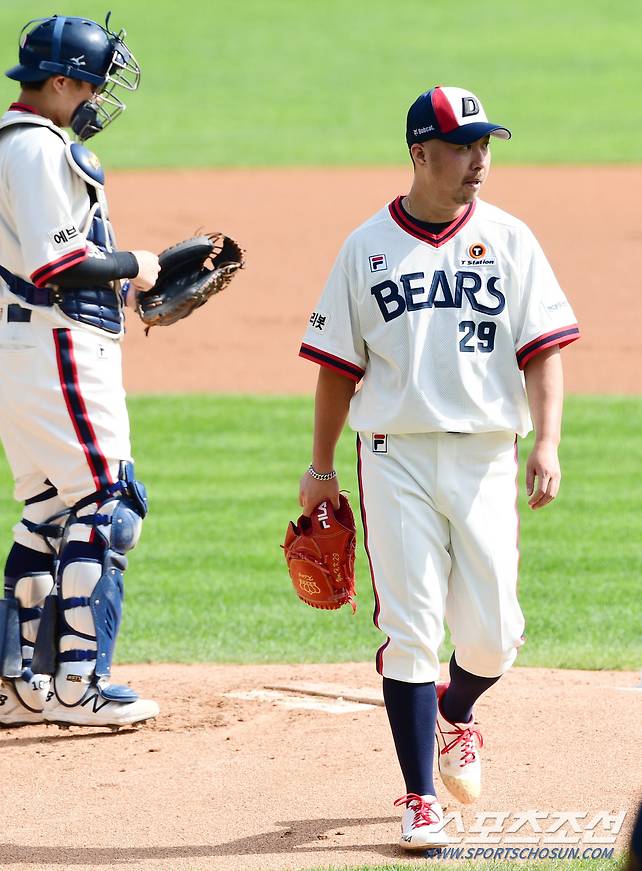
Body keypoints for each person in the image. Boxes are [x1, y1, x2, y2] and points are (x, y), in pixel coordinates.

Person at [298, 85, 580, 850]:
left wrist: (547, 442)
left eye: (486, 144)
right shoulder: (366, 247)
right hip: (393, 457)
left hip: (488, 453)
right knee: (413, 626)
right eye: (462, 146)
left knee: (493, 637)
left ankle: (459, 710)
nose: (479, 160)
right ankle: (419, 794)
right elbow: (335, 367)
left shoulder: (512, 239)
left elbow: (544, 351)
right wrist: (321, 467)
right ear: (420, 154)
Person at [0, 15, 161, 728]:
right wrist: (134, 265)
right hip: (60, 352)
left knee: (49, 513)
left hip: (22, 349)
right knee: (106, 507)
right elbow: (56, 263)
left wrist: (122, 293)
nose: (94, 99)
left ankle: (22, 687)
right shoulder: (39, 150)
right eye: (89, 84)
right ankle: (79, 685)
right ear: (59, 81)